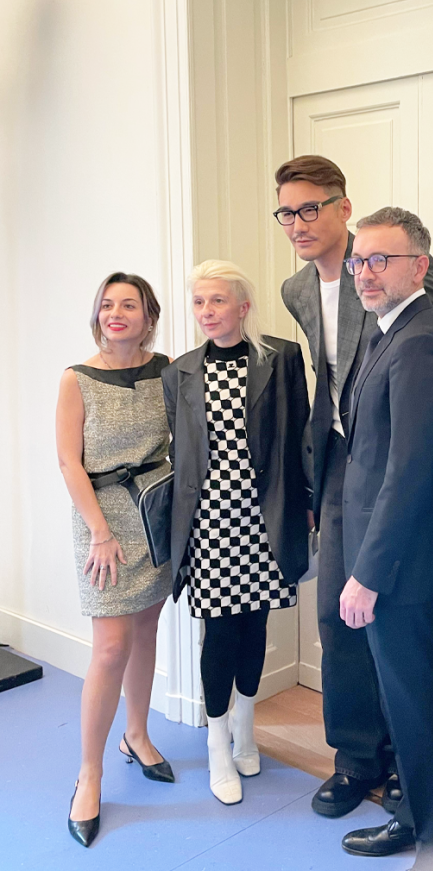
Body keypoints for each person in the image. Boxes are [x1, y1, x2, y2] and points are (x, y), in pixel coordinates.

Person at [275, 155, 433, 819]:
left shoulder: (396, 270)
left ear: (343, 207)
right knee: (338, 615)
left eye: (311, 208)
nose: (298, 223)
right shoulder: (296, 290)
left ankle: (413, 773)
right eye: (286, 213)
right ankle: (358, 758)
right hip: (336, 463)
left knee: (393, 620)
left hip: (396, 460)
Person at [337, 207, 433, 866]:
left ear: (419, 266)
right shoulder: (389, 327)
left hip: (403, 566)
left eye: (379, 260)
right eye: (357, 261)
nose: (364, 273)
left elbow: (412, 470)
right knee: (403, 704)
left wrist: (368, 573)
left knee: (418, 709)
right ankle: (414, 819)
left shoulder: (423, 340)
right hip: (389, 556)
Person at [162, 260, 310, 805]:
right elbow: (182, 454)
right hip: (209, 523)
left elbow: (300, 435)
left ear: (243, 307)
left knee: (255, 625)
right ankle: (217, 745)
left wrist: (307, 504)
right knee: (220, 633)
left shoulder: (281, 358)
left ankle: (246, 730)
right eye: (199, 302)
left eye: (218, 301)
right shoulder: (179, 373)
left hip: (264, 517)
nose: (207, 312)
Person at [56, 273, 174, 849]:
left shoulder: (167, 370)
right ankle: (90, 774)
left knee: (147, 628)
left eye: (129, 304)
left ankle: (137, 734)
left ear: (149, 315)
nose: (116, 313)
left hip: (156, 510)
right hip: (102, 520)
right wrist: (100, 533)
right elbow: (68, 463)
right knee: (109, 647)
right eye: (107, 304)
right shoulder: (77, 378)